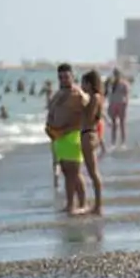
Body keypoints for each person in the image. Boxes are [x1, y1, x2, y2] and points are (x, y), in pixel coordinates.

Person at [46, 63, 90, 215]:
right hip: (58, 137)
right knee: (66, 172)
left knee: (75, 172)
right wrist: (49, 128)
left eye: (66, 76)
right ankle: (70, 203)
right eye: (61, 77)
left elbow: (90, 111)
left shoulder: (77, 94)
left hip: (73, 135)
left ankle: (82, 203)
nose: (63, 80)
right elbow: (50, 111)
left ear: (72, 76)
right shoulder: (57, 94)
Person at [80, 70, 105, 215]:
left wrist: (83, 106)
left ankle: (98, 206)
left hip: (88, 134)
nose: (82, 86)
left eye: (84, 83)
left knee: (93, 172)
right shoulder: (96, 97)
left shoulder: (94, 97)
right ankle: (97, 204)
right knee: (92, 172)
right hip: (90, 134)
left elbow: (89, 117)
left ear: (89, 83)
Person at [107, 69, 130, 148]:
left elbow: (127, 95)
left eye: (117, 74)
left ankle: (123, 142)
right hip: (113, 104)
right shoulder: (112, 84)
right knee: (114, 125)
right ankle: (113, 142)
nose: (116, 76)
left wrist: (126, 104)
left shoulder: (124, 84)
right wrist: (109, 106)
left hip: (121, 104)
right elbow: (110, 95)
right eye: (115, 74)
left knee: (122, 124)